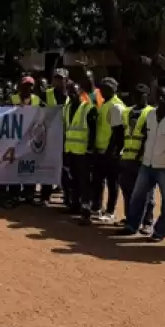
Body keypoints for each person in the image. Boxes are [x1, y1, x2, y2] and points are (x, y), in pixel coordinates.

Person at [117, 87, 165, 241]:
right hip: (147, 164)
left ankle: (160, 231)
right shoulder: (150, 115)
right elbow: (145, 136)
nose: (162, 99)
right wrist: (139, 155)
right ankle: (132, 225)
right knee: (137, 197)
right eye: (160, 97)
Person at [119, 84, 155, 233]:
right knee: (128, 191)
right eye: (136, 94)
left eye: (142, 94)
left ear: (147, 95)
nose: (139, 97)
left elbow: (150, 136)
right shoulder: (127, 111)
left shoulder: (152, 112)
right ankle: (131, 219)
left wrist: (141, 155)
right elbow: (122, 133)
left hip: (143, 159)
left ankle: (147, 222)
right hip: (127, 157)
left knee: (146, 193)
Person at [91, 78, 126, 223]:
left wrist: (112, 151)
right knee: (98, 181)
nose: (101, 91)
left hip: (110, 152)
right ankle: (97, 207)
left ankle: (110, 211)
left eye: (105, 89)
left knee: (112, 183)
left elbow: (119, 133)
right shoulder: (103, 103)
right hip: (100, 149)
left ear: (113, 89)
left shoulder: (116, 106)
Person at [62, 82, 97, 225]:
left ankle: (86, 211)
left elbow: (93, 130)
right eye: (70, 93)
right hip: (70, 150)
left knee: (84, 183)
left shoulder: (88, 108)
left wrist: (90, 149)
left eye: (75, 92)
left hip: (83, 152)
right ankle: (74, 206)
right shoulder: (67, 108)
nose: (72, 95)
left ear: (80, 92)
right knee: (73, 180)